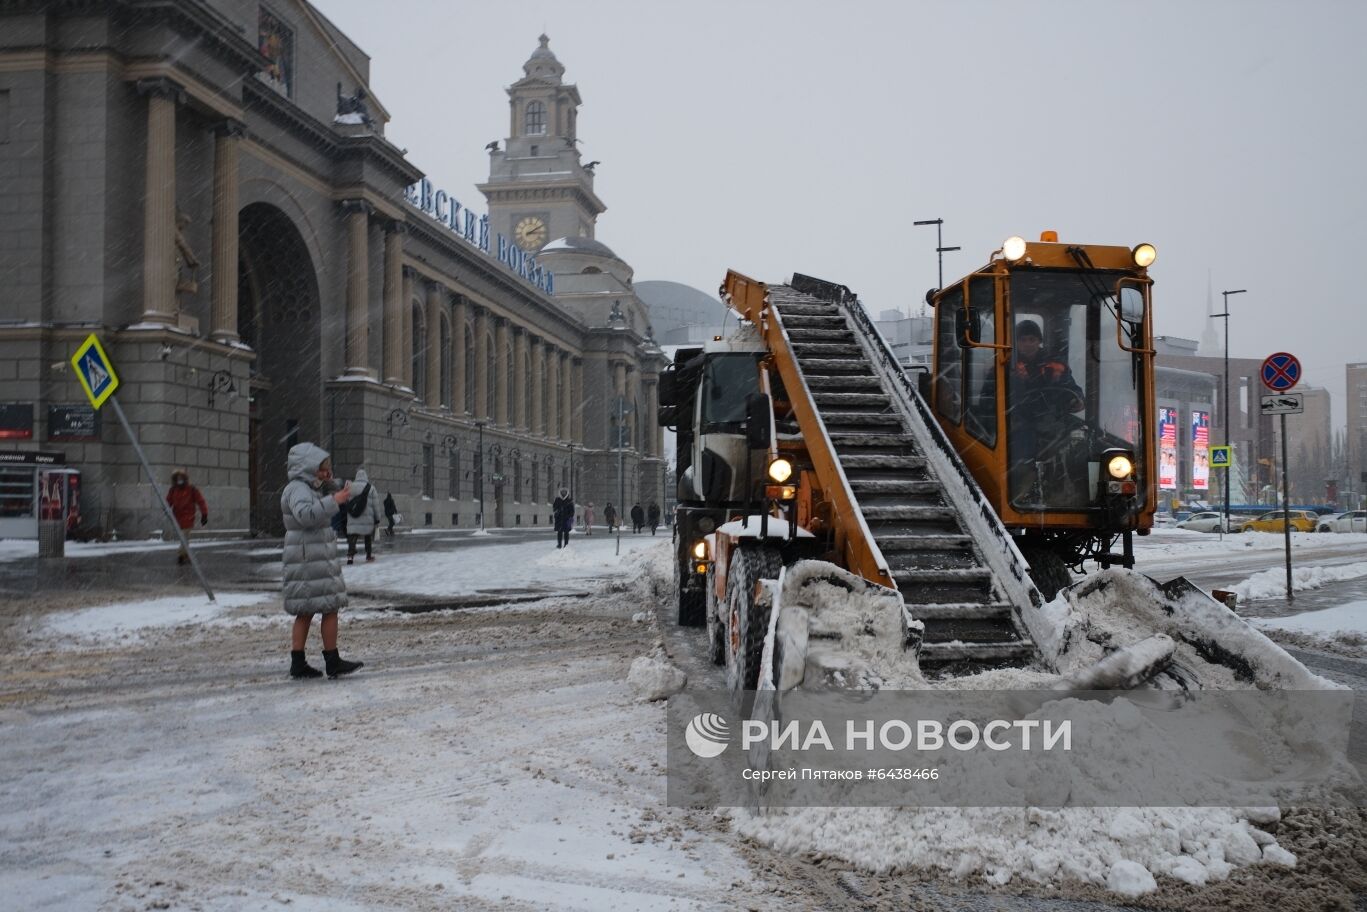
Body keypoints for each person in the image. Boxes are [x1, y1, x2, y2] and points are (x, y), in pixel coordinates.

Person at [281, 442, 363, 680]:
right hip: (309, 558)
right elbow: (306, 516)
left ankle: (300, 663)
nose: (327, 472)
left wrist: (336, 490)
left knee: (307, 610)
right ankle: (331, 660)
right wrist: (334, 500)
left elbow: (318, 505)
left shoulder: (306, 487)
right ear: (307, 468)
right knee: (326, 608)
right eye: (322, 468)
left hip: (310, 556)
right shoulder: (298, 489)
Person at [1008, 319, 1084, 502]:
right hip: (1019, 421)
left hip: (1053, 420)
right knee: (1022, 446)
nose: (1027, 344)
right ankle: (1022, 490)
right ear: (1016, 342)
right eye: (1023, 339)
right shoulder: (1006, 365)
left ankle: (1075, 489)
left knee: (1082, 442)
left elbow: (1073, 390)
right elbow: (991, 395)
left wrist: (1075, 399)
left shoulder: (1055, 366)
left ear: (1039, 341)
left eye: (1032, 339)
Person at [165, 468, 208, 565]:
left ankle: (181, 555)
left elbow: (201, 501)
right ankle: (186, 555)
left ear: (185, 479)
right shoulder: (173, 490)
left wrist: (204, 514)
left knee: (184, 536)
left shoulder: (192, 489)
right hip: (177, 518)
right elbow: (168, 502)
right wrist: (166, 509)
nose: (179, 480)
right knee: (184, 538)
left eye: (181, 478)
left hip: (188, 517)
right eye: (177, 478)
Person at [345, 467, 382, 564]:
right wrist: (377, 518)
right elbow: (375, 505)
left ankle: (350, 556)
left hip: (353, 516)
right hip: (367, 518)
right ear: (366, 477)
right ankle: (368, 555)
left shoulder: (350, 487)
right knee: (367, 536)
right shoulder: (371, 488)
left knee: (353, 536)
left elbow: (347, 501)